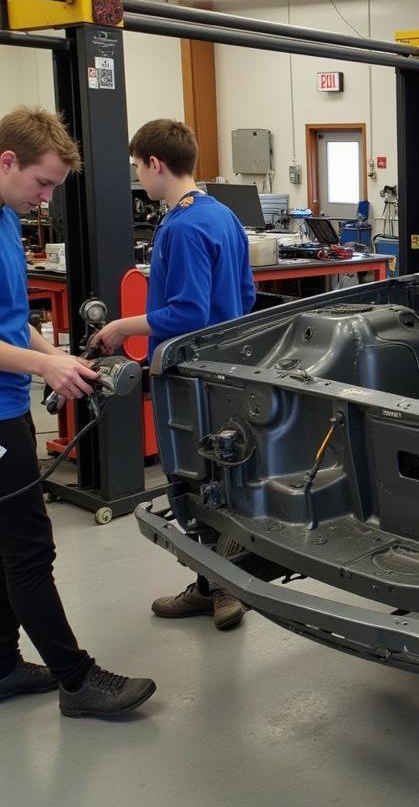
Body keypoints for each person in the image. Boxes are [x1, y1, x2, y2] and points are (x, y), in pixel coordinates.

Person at [0, 106, 156, 718]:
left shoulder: (9, 219)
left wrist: (58, 359)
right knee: (29, 549)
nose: (45, 199)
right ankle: (77, 680)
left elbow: (12, 324)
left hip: (10, 398)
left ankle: (4, 665)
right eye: (42, 183)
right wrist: (42, 368)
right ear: (6, 160)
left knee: (5, 543)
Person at [92, 118, 255, 632]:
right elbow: (246, 295)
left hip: (189, 376)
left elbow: (187, 312)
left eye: (138, 167)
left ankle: (224, 584)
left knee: (193, 479)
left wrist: (121, 327)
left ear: (154, 164)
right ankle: (213, 584)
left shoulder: (182, 227)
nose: (139, 177)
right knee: (222, 473)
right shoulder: (221, 215)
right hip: (224, 368)